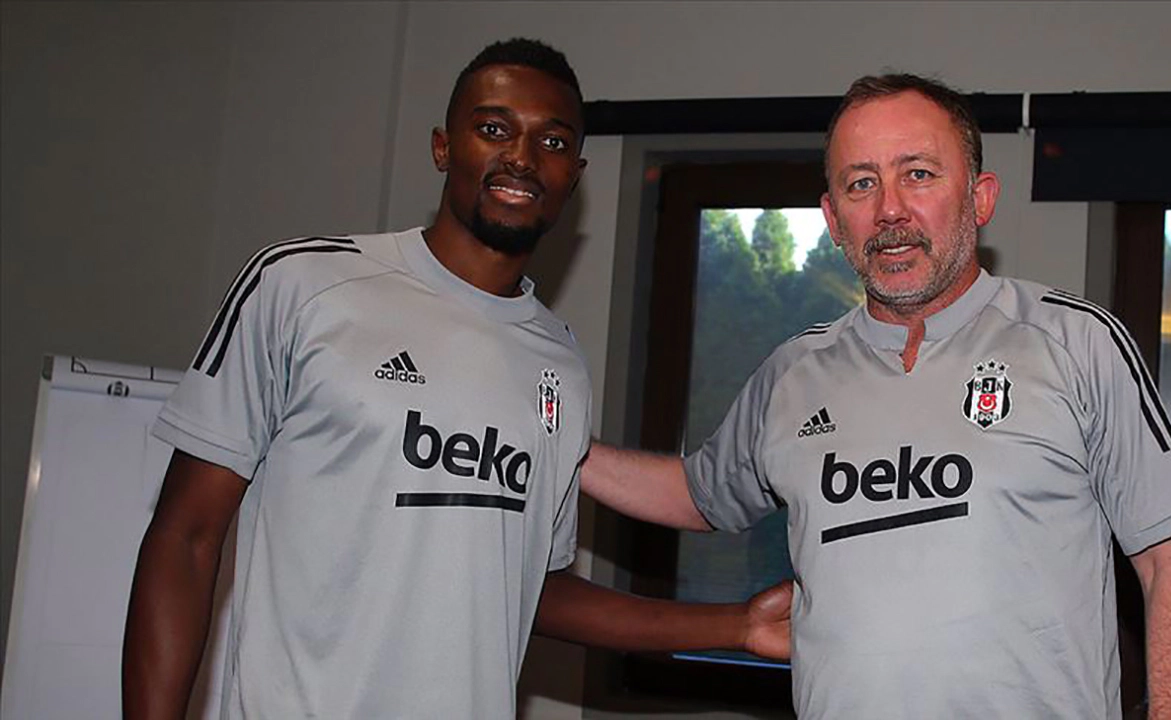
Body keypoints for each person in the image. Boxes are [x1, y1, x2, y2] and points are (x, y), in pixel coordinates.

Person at [122, 38, 790, 720]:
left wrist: (735, 625)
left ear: (575, 175)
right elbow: (185, 537)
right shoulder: (300, 286)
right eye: (494, 129)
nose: (522, 157)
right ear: (443, 147)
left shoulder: (559, 363)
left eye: (553, 142)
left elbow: (530, 589)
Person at [583, 73, 1171, 719]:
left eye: (918, 174)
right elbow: (697, 494)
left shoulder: (1075, 342)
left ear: (979, 198)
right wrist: (562, 445)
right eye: (861, 183)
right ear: (833, 218)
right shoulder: (793, 373)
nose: (889, 210)